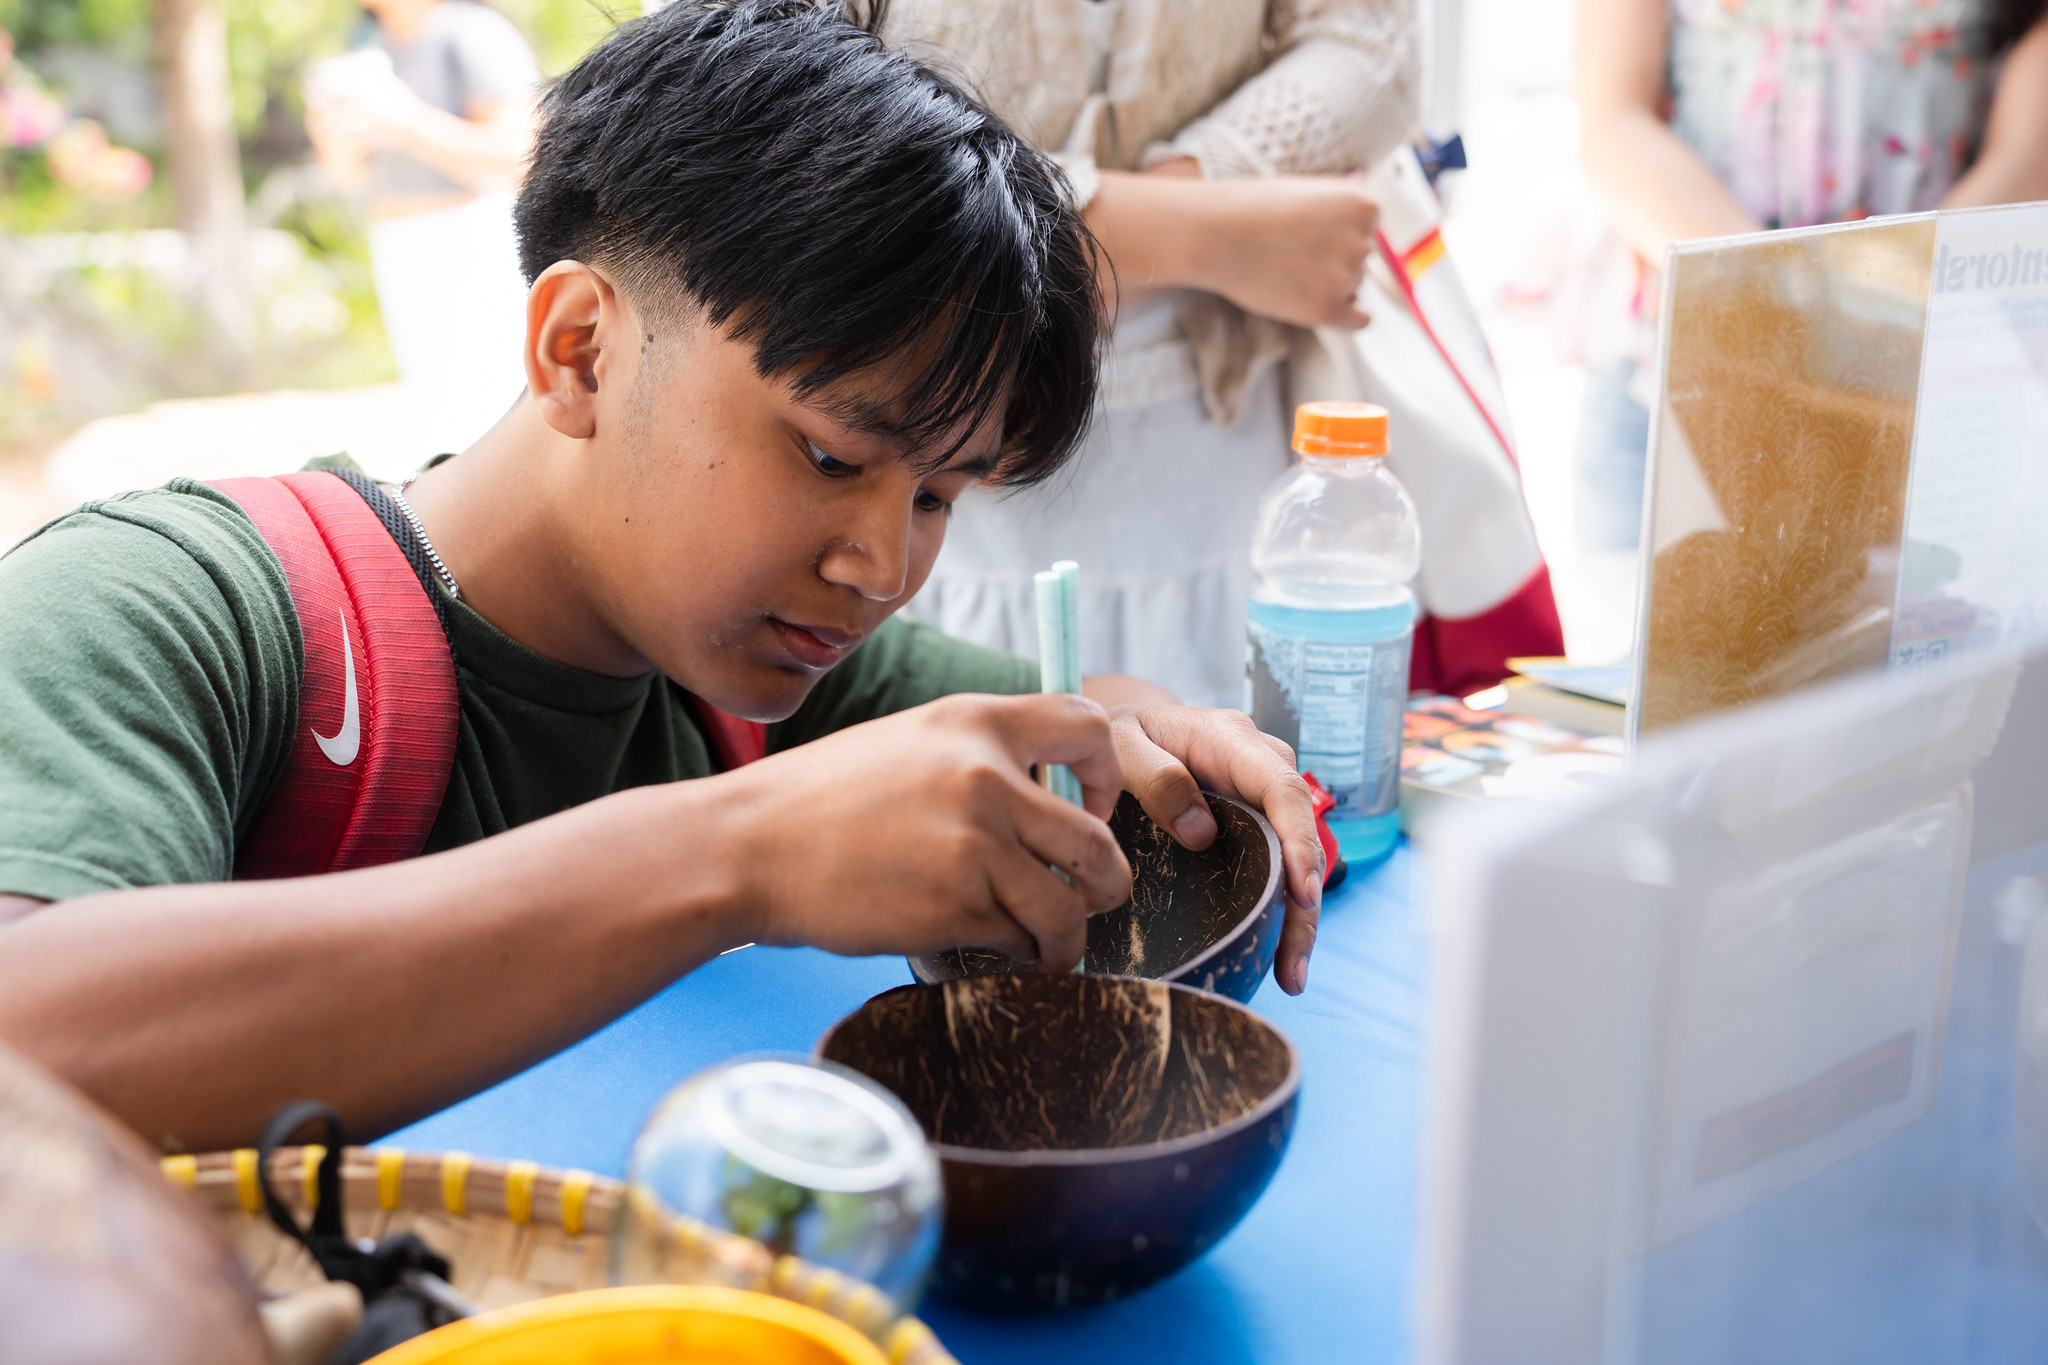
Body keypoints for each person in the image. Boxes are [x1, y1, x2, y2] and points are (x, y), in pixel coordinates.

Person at [0, 1, 1323, 1154]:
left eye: (938, 495)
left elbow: (1069, 722)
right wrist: (744, 855)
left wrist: (1161, 730)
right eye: (826, 452)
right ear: (579, 349)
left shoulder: (775, 672)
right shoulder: (167, 612)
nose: (881, 568)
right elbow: (29, 1043)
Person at [892, 0, 1422, 708]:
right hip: (927, 423)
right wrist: (1190, 233)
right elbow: (778, 94)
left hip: (1221, 422)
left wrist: (1202, 185)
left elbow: (1372, 42)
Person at [1572, 0, 2048, 552]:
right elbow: (1610, 119)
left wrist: (1884, 312)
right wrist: (1784, 305)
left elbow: (2029, 149)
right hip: (1677, 381)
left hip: (1924, 389)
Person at [306, 0, 540, 441]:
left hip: (474, 242)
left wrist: (407, 122)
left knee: (493, 408)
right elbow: (350, 177)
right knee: (437, 414)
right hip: (397, 243)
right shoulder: (364, 43)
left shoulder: (472, 33)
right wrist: (330, 135)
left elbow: (520, 155)